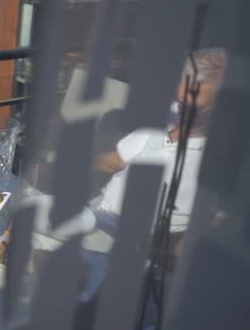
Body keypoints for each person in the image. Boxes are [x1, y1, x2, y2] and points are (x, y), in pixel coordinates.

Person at [76, 47, 227, 304]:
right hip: (95, 224)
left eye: (196, 109)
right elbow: (112, 161)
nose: (181, 114)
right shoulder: (159, 126)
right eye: (180, 102)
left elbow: (215, 233)